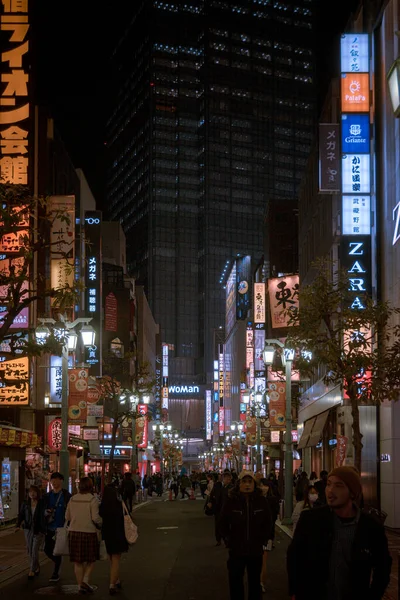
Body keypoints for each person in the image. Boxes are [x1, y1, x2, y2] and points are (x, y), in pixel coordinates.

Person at [287, 466, 392, 600]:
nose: (331, 491)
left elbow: (383, 566)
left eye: (339, 486)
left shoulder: (370, 526)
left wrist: (373, 595)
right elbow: (294, 556)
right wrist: (295, 590)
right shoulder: (310, 519)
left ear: (352, 492)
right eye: (329, 484)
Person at [220, 471, 273, 600]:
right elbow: (223, 522)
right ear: (239, 484)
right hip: (236, 549)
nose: (247, 485)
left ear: (255, 484)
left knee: (255, 583)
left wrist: (264, 539)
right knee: (235, 582)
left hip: (255, 550)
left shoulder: (261, 501)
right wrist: (228, 540)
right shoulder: (232, 501)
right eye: (244, 481)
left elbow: (268, 522)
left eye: (250, 482)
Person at [65, 476, 102, 594]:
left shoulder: (72, 499)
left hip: (74, 532)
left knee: (77, 561)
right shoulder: (92, 500)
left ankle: (80, 586)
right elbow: (95, 518)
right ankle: (85, 580)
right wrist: (102, 522)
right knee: (91, 559)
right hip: (88, 532)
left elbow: (67, 517)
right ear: (91, 487)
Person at [100, 484, 129, 596]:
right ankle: (112, 584)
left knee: (111, 558)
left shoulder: (102, 506)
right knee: (116, 559)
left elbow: (99, 519)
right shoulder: (119, 504)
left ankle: (116, 580)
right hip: (119, 534)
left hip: (107, 534)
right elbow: (127, 515)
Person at [43, 472, 71, 583]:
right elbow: (42, 509)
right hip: (50, 527)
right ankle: (57, 563)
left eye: (56, 480)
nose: (54, 482)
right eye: (52, 480)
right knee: (47, 549)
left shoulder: (66, 496)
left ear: (61, 481)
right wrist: (45, 513)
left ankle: (55, 573)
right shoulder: (47, 496)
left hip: (61, 527)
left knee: (58, 550)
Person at [16, 485, 46, 579]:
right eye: (30, 492)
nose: (32, 494)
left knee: (34, 550)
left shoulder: (41, 503)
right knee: (29, 549)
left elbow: (44, 516)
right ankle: (36, 566)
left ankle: (31, 570)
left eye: (34, 492)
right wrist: (17, 525)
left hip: (38, 529)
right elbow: (21, 515)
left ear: (37, 493)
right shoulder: (25, 504)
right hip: (28, 529)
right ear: (28, 494)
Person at [258, 478, 278, 593]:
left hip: (267, 535)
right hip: (255, 535)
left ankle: (261, 582)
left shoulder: (272, 500)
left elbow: (273, 518)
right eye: (261, 485)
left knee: (263, 560)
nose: (263, 488)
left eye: (265, 485)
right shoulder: (254, 500)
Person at [208, 470, 234, 546]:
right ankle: (218, 539)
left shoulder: (232, 488)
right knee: (218, 525)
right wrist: (210, 502)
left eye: (229, 479)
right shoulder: (217, 485)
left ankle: (226, 540)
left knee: (226, 525)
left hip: (227, 510)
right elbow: (211, 494)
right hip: (218, 509)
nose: (227, 480)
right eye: (226, 478)